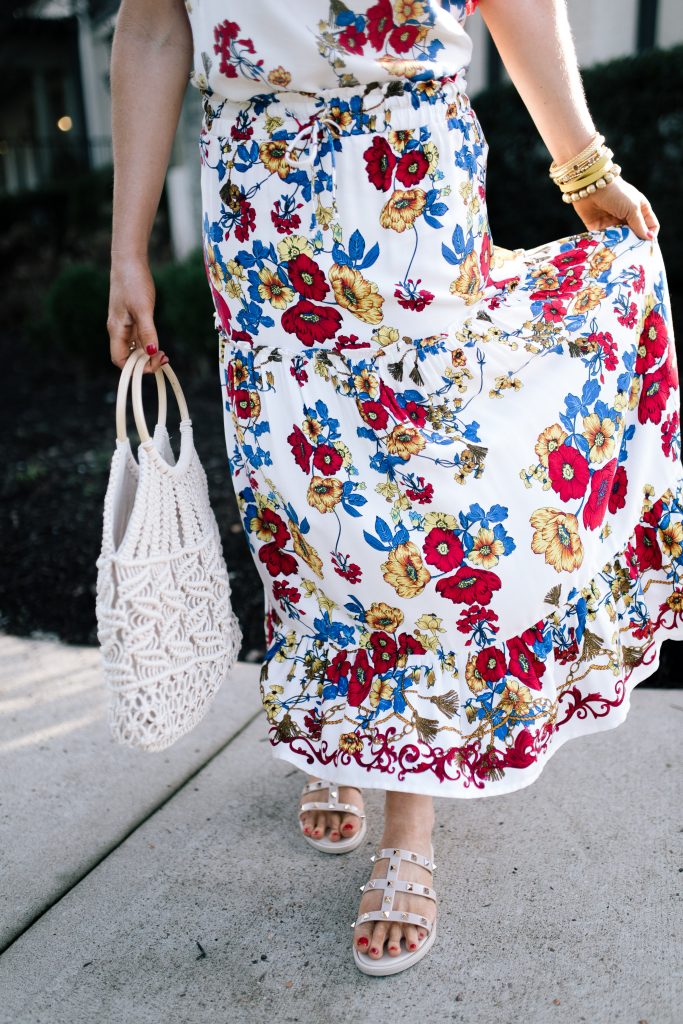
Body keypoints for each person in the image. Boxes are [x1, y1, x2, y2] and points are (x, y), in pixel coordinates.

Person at [107, 0, 683, 976]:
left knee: (412, 501)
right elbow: (155, 24)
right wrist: (127, 247)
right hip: (260, 206)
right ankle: (336, 724)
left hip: (404, 180)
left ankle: (406, 813)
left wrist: (581, 162)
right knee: (298, 489)